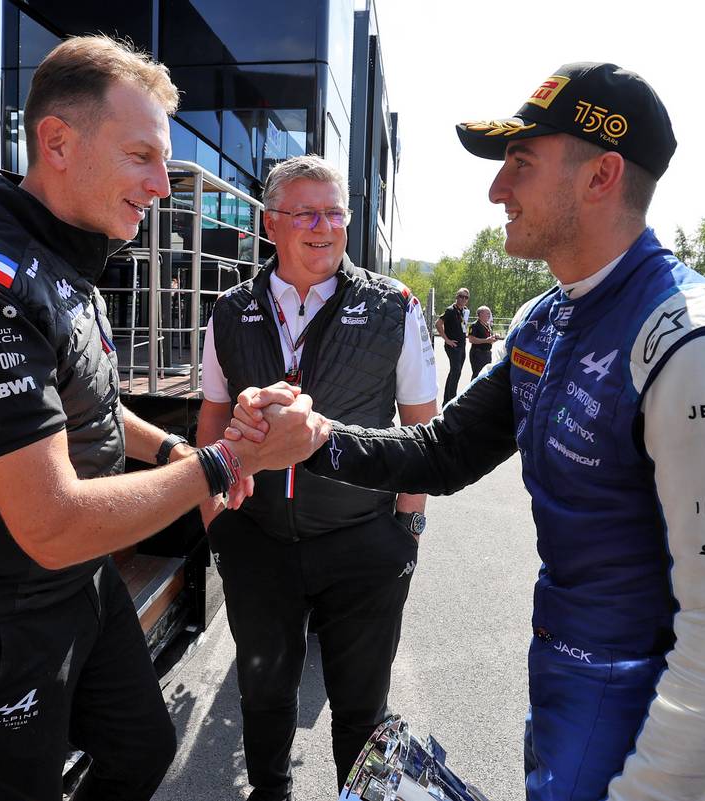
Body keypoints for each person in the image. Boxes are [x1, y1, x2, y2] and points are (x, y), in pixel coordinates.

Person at [232, 61, 705, 801]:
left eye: (521, 164)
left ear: (601, 176)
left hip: (641, 722)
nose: (497, 189)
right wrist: (316, 441)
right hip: (562, 683)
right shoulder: (549, 317)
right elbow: (443, 452)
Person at [0, 36, 328, 801]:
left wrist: (185, 449)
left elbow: (90, 406)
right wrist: (227, 464)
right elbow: (51, 519)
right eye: (141, 156)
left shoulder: (68, 263)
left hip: (77, 587)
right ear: (57, 142)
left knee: (143, 749)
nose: (163, 183)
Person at [196, 154, 438, 801]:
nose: (324, 226)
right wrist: (214, 519)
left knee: (362, 710)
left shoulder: (395, 306)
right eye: (306, 212)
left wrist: (407, 526)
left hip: (364, 542)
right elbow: (212, 416)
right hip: (258, 538)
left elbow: (422, 425)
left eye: (335, 212)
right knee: (264, 695)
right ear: (271, 223)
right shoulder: (229, 310)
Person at [436, 287, 470, 403]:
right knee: (455, 371)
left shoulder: (464, 311)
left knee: (456, 371)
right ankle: (451, 399)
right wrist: (447, 340)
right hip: (453, 346)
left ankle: (447, 400)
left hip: (462, 345)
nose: (463, 299)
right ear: (456, 297)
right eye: (461, 296)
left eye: (466, 297)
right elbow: (438, 324)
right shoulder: (450, 310)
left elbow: (463, 326)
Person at [467, 305, 498, 378]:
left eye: (489, 313)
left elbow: (488, 339)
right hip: (478, 353)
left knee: (485, 375)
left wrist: (494, 338)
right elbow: (471, 339)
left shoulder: (487, 325)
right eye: (487, 313)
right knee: (477, 375)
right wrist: (486, 340)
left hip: (486, 353)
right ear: (480, 314)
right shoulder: (474, 325)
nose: (489, 315)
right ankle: (473, 389)